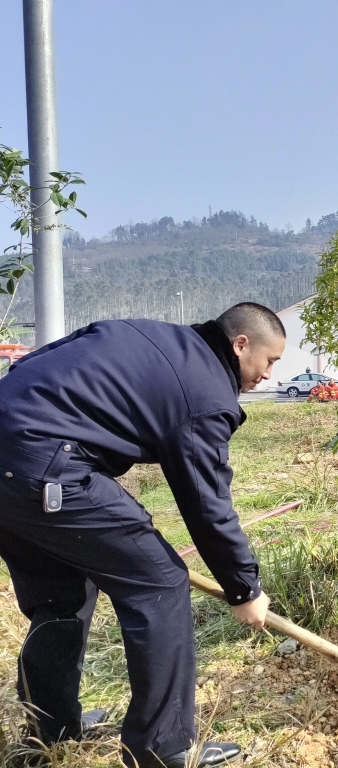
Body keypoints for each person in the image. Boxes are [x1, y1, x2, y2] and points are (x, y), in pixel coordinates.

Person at [0, 303, 285, 768]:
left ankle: (49, 732)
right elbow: (207, 505)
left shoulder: (149, 336)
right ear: (241, 344)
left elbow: (34, 363)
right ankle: (163, 748)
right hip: (49, 467)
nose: (269, 375)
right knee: (159, 583)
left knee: (61, 596)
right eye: (270, 361)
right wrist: (244, 587)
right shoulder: (206, 392)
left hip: (12, 460)